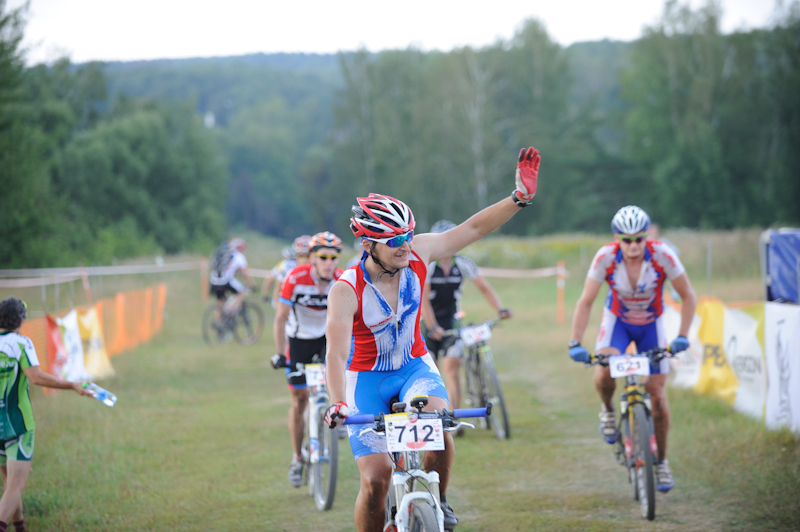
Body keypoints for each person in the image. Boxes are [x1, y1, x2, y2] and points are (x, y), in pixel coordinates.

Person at [323, 146, 541, 532]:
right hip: (365, 378)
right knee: (376, 480)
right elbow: (337, 354)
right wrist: (338, 402)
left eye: (408, 234)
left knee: (438, 429)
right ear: (368, 244)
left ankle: (437, 502)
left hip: (414, 367)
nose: (406, 245)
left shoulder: (419, 254)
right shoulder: (346, 288)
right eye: (394, 241)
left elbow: (471, 229)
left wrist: (518, 199)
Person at [567, 205, 696, 493]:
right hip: (619, 323)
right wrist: (575, 342)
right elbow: (586, 302)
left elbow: (688, 295)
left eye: (639, 238)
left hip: (652, 324)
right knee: (603, 372)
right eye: (626, 240)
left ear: (647, 236)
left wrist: (683, 335)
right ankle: (608, 411)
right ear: (616, 238)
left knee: (658, 398)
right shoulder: (605, 257)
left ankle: (661, 462)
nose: (633, 245)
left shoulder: (663, 254)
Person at [0, 297, 94, 532]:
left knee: (10, 486)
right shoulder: (21, 343)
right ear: (21, 319)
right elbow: (36, 377)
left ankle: (21, 528)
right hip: (18, 425)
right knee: (16, 486)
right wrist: (71, 384)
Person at [270, 231, 343, 487]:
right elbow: (280, 319)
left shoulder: (341, 280)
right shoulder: (296, 277)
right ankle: (297, 457)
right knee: (299, 400)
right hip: (298, 341)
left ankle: (336, 417)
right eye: (323, 257)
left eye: (334, 257)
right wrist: (280, 354)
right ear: (312, 258)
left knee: (333, 386)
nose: (329, 262)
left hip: (326, 341)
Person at [420, 219, 512, 420]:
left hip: (452, 321)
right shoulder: (428, 266)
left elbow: (484, 288)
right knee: (431, 372)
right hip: (428, 322)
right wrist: (431, 325)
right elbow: (423, 299)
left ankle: (452, 417)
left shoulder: (463, 264)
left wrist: (500, 308)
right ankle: (432, 416)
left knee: (452, 367)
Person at [208, 238, 256, 335]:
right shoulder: (238, 256)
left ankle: (219, 323)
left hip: (213, 280)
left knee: (220, 301)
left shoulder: (222, 253)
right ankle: (230, 312)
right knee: (241, 292)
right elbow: (245, 273)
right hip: (225, 280)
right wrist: (252, 284)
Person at [261, 235, 312, 306]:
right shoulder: (287, 266)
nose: (304, 260)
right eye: (300, 255)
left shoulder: (319, 267)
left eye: (308, 256)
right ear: (295, 254)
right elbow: (277, 287)